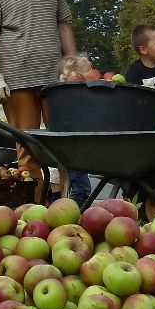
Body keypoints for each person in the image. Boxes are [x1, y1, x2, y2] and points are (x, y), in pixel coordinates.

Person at [0, 0, 76, 197]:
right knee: (28, 148)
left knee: (65, 145)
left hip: (54, 80)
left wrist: (75, 65)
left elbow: (64, 24)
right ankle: (35, 208)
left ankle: (68, 203)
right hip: (17, 80)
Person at [57, 54, 97, 205]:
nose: (92, 66)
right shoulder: (73, 97)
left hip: (79, 150)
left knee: (81, 185)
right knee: (81, 187)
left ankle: (74, 212)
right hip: (74, 150)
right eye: (89, 68)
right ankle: (72, 213)